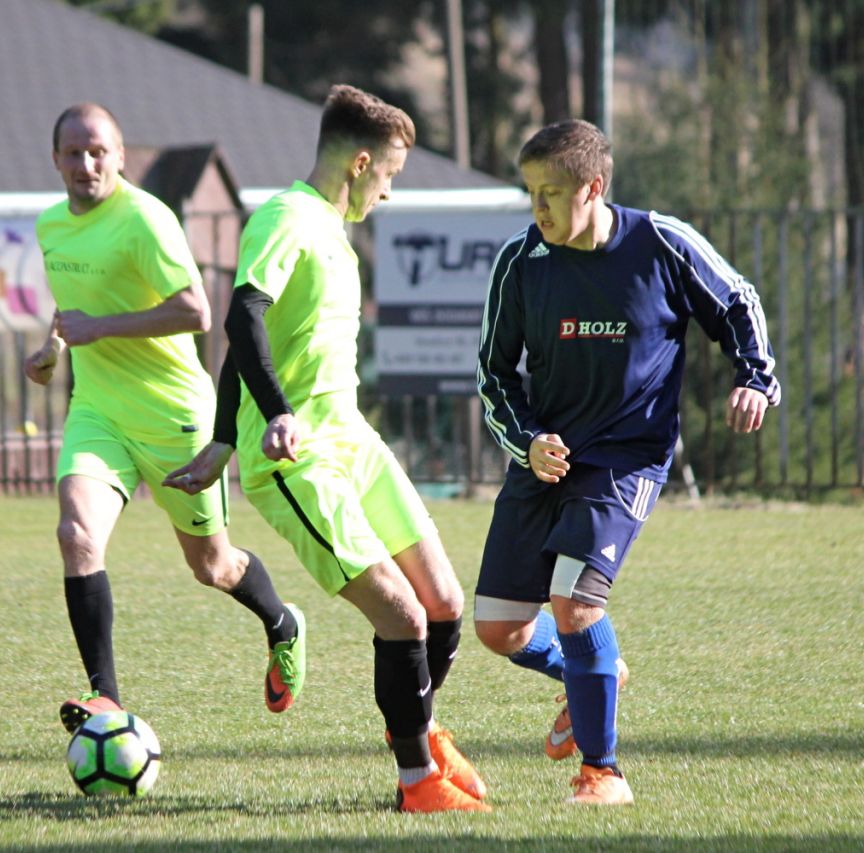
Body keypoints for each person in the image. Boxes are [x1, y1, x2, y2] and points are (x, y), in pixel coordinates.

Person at [164, 85, 489, 814]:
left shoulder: (335, 234)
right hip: (296, 459)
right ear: (361, 162)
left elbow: (252, 344)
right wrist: (265, 423)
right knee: (401, 615)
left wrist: (219, 441)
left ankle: (419, 731)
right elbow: (242, 319)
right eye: (390, 174)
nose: (390, 190)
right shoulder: (286, 216)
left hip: (351, 438)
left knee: (443, 601)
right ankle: (416, 782)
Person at [473, 119, 780, 805]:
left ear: (594, 188)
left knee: (576, 603)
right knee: (500, 626)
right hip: (546, 458)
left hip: (626, 458)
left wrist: (755, 378)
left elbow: (738, 301)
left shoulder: (661, 243)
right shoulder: (521, 261)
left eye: (552, 193)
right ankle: (594, 672)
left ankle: (602, 772)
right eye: (531, 193)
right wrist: (528, 441)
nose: (539, 208)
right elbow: (493, 375)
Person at [24, 103, 306, 734]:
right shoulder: (50, 225)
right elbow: (74, 309)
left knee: (213, 567)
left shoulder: (146, 219)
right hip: (98, 411)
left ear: (120, 157)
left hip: (173, 414)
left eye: (98, 151)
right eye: (73, 153)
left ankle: (282, 622)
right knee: (76, 536)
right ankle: (106, 700)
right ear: (56, 160)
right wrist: (52, 348)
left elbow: (196, 311)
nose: (86, 163)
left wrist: (100, 328)